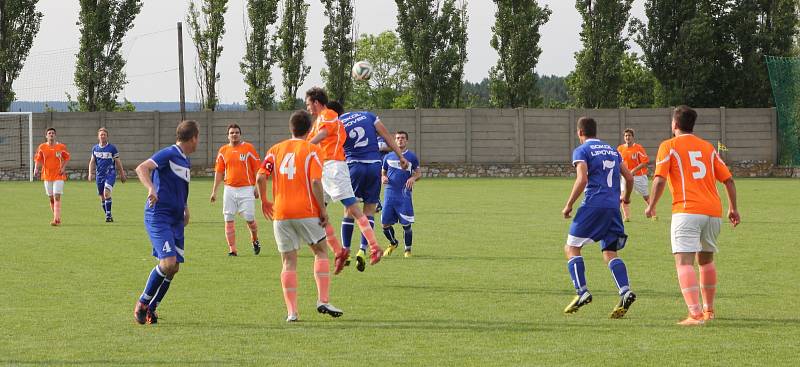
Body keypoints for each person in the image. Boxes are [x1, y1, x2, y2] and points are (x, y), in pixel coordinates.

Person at [645, 106, 740, 326]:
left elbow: (659, 179)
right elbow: (729, 180)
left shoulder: (668, 146)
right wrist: (733, 208)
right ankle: (709, 310)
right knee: (706, 260)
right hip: (713, 212)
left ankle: (695, 315)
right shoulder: (707, 147)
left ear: (674, 124)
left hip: (687, 211)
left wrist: (651, 205)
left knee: (683, 262)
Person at [256, 111, 344, 322]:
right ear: (309, 129)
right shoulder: (313, 150)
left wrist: (265, 201)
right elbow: (315, 182)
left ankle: (292, 313)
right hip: (305, 210)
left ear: (290, 128)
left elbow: (260, 176)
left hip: (281, 212)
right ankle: (322, 299)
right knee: (321, 251)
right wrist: (323, 211)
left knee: (288, 262)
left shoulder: (275, 150)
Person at [305, 87, 399, 272]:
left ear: (316, 102)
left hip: (334, 168)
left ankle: (373, 247)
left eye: (308, 104)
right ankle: (340, 252)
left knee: (353, 208)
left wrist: (303, 146)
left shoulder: (330, 114)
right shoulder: (318, 121)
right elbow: (312, 140)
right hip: (323, 170)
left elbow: (322, 135)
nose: (307, 108)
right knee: (315, 211)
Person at [561, 117, 637, 319]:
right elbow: (629, 177)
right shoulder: (613, 150)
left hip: (593, 205)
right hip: (613, 208)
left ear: (580, 133)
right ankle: (625, 290)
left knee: (571, 247)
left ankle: (582, 291)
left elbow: (582, 178)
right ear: (596, 131)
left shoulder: (582, 150)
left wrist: (568, 205)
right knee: (610, 251)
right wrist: (626, 199)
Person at [326, 101, 409, 272]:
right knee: (369, 210)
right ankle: (363, 250)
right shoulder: (368, 115)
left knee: (349, 211)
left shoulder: (337, 123)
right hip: (373, 166)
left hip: (353, 166)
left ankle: (346, 251)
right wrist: (400, 156)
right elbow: (386, 135)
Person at [133, 120, 199, 325]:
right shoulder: (168, 154)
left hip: (176, 219)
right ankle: (142, 304)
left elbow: (180, 189)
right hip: (159, 216)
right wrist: (151, 189)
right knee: (168, 263)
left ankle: (152, 308)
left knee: (175, 267)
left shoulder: (185, 161)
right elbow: (142, 168)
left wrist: (185, 209)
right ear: (194, 138)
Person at [210, 124, 262, 256]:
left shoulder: (248, 148)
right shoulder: (223, 151)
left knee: (250, 219)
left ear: (240, 134)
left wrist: (257, 187)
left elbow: (258, 169)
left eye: (237, 132)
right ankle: (232, 250)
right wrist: (214, 191)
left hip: (247, 189)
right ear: (228, 135)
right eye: (232, 132)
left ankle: (255, 239)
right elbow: (219, 172)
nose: (234, 134)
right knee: (228, 219)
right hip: (229, 189)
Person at [381, 131, 421, 258]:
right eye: (398, 138)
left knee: (406, 224)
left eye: (403, 138)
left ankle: (407, 250)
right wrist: (383, 177)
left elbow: (418, 173)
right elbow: (383, 172)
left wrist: (413, 178)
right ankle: (393, 243)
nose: (400, 140)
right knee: (385, 224)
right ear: (394, 140)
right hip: (389, 194)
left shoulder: (412, 157)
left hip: (404, 196)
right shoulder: (388, 157)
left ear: (407, 141)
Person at [88, 127, 127, 222]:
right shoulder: (95, 148)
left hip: (110, 174)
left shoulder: (112, 148)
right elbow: (92, 162)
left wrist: (122, 174)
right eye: (101, 134)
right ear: (98, 136)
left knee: (106, 193)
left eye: (104, 135)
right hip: (99, 175)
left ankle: (108, 216)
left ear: (107, 137)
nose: (103, 136)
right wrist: (90, 173)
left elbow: (118, 162)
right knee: (102, 196)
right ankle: (108, 214)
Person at [34, 128, 70, 226]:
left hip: (58, 175)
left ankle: (56, 219)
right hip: (46, 175)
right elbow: (37, 159)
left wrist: (63, 168)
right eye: (49, 133)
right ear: (46, 136)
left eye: (53, 133)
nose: (51, 134)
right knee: (51, 198)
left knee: (57, 196)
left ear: (55, 135)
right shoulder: (42, 147)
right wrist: (36, 169)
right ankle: (56, 216)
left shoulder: (61, 146)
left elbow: (67, 158)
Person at [617, 128, 650, 222]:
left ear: (633, 137)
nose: (627, 137)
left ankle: (653, 214)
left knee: (646, 196)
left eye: (629, 135)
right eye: (626, 136)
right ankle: (626, 217)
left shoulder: (638, 148)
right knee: (623, 195)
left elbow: (644, 162)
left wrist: (633, 171)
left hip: (639, 176)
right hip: (625, 177)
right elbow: (617, 162)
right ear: (624, 137)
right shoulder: (620, 149)